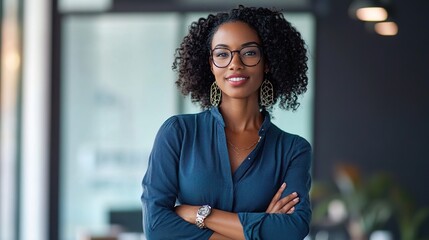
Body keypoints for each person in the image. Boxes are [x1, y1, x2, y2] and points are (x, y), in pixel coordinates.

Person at [141, 5, 312, 240]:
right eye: (222, 54)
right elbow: (156, 226)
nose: (235, 64)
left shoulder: (292, 149)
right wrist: (260, 230)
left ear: (268, 62)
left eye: (249, 52)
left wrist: (199, 215)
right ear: (211, 65)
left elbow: (292, 229)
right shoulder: (178, 133)